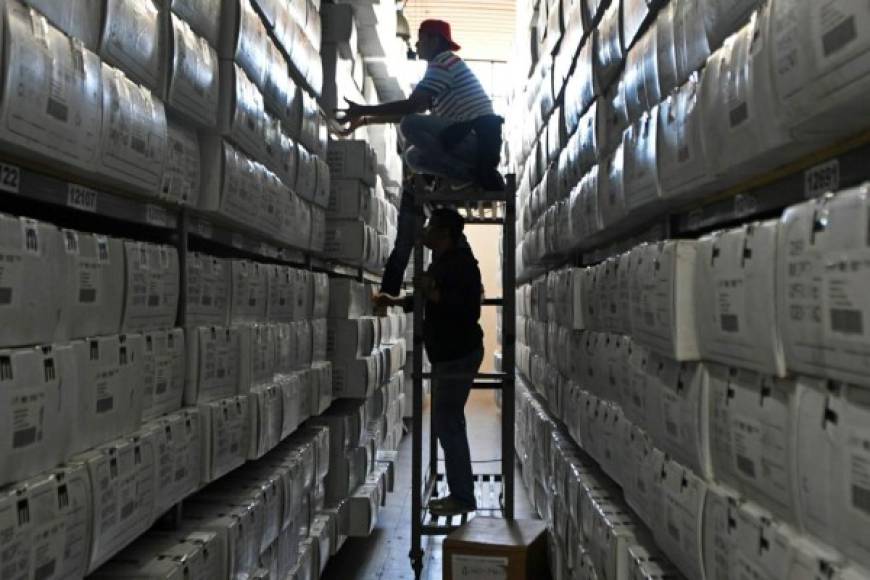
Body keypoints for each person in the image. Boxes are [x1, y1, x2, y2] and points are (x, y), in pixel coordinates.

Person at [335, 19, 504, 302]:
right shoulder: (441, 68)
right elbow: (417, 107)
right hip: (466, 142)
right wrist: (364, 118)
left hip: (477, 143)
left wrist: (365, 109)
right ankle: (465, 175)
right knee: (414, 156)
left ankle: (469, 174)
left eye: (421, 39)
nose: (416, 44)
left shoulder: (444, 62)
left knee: (412, 126)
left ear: (435, 40)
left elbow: (414, 108)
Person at [377, 208, 484, 516]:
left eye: (431, 227)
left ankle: (463, 497)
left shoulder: (463, 265)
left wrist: (434, 293)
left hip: (458, 355)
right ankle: (461, 492)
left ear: (445, 233)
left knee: (447, 424)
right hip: (449, 355)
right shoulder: (445, 260)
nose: (425, 232)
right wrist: (394, 300)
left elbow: (468, 311)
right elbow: (424, 299)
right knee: (449, 423)